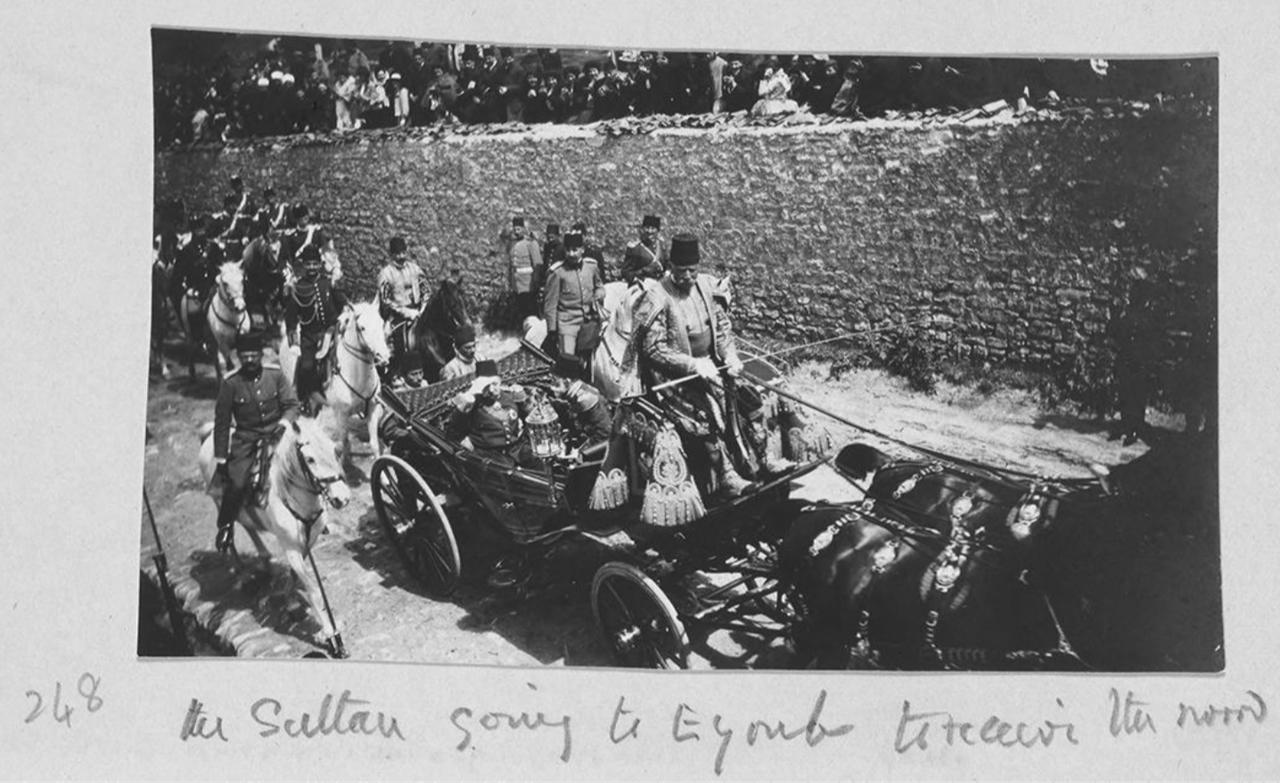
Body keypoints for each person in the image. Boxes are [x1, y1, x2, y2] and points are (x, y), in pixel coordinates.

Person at [633, 233, 755, 497]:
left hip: (713, 367)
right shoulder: (656, 296)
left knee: (746, 398)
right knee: (704, 414)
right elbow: (653, 349)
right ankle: (726, 475)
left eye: (693, 270)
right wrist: (692, 365)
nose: (688, 277)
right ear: (671, 268)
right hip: (671, 379)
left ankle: (760, 459)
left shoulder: (706, 287)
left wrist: (731, 356)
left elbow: (722, 329)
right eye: (681, 271)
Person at [211, 331, 300, 553]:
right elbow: (222, 423)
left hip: (278, 433)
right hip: (247, 440)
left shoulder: (275, 374)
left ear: (261, 355)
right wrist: (221, 458)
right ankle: (226, 525)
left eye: (254, 355)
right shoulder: (231, 383)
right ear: (239, 357)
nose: (249, 360)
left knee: (308, 462)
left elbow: (291, 404)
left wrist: (284, 424)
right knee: (237, 483)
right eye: (245, 356)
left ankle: (316, 511)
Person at [285, 244, 350, 414]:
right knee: (307, 367)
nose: (312, 267)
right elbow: (291, 318)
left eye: (315, 264)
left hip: (332, 331)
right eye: (309, 264)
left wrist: (345, 312)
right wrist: (294, 342)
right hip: (310, 336)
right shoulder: (298, 287)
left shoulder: (328, 283)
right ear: (304, 265)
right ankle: (305, 398)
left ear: (320, 264)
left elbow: (342, 301)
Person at [445, 360, 534, 464]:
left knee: (538, 459)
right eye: (487, 386)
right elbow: (453, 432)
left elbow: (528, 417)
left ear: (500, 382)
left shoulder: (509, 397)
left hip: (516, 449)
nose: (492, 389)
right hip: (490, 454)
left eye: (495, 384)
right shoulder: (472, 403)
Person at [542, 231, 605, 376]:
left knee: (595, 361)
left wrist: (598, 295)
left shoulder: (591, 267)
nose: (571, 253)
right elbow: (550, 304)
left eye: (575, 250)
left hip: (588, 321)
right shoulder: (558, 272)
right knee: (568, 363)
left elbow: (599, 286)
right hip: (567, 323)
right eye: (568, 250)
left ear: (582, 249)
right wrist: (552, 330)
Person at [1110, 279, 1162, 446]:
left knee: (1137, 396)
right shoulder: (1127, 314)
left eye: (1137, 296)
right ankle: (1125, 425)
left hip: (1140, 364)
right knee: (1125, 394)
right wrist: (1115, 316)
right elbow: (1114, 333)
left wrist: (1149, 364)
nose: (1134, 298)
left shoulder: (1150, 318)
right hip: (1126, 360)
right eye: (1133, 295)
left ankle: (1134, 428)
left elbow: (1153, 343)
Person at [376, 235, 426, 330]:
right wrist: (405, 311)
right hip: (397, 316)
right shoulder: (386, 274)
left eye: (403, 253)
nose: (401, 257)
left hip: (419, 312)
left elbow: (426, 290)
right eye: (398, 254)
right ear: (392, 255)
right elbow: (385, 300)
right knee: (388, 336)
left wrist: (423, 309)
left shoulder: (415, 269)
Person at [507, 216, 543, 320]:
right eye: (514, 229)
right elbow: (511, 265)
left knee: (531, 310)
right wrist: (510, 281)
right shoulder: (512, 244)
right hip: (516, 283)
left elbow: (537, 263)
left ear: (523, 229)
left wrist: (535, 282)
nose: (516, 232)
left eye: (518, 229)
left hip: (528, 283)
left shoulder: (530, 243)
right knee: (521, 309)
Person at [622, 214, 667, 279]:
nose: (649, 231)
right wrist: (643, 271)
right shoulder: (635, 248)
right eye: (647, 227)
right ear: (642, 229)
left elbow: (666, 266)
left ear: (657, 231)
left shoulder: (662, 246)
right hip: (642, 284)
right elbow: (625, 273)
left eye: (653, 228)